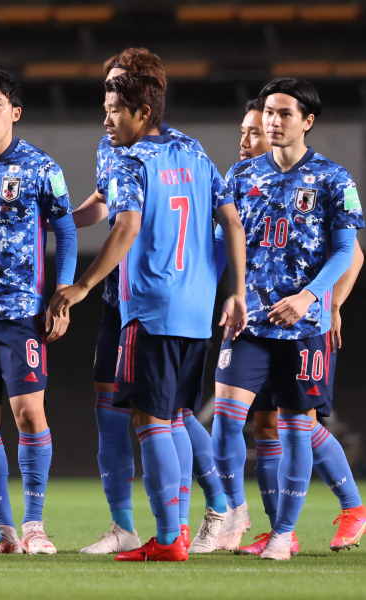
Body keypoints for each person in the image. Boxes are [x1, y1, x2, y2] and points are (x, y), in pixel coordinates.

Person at [50, 72, 247, 562]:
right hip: (196, 308)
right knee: (174, 417)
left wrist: (82, 286)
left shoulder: (128, 157)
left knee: (150, 420)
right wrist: (236, 291)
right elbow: (232, 220)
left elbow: (127, 225)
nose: (106, 117)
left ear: (142, 112)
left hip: (151, 305)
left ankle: (167, 537)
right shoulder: (194, 151)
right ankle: (178, 529)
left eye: (115, 108)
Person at [213, 78, 364, 560]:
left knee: (297, 426)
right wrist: (228, 293)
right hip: (250, 322)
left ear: (307, 121)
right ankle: (236, 513)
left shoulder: (334, 179)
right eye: (270, 114)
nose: (274, 122)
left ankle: (283, 532)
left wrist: (312, 297)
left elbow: (346, 250)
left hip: (304, 326)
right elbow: (225, 246)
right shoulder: (239, 176)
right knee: (225, 421)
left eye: (284, 114)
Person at [0, 66, 76, 554]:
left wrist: (64, 292)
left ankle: (35, 524)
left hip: (21, 312)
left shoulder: (39, 166)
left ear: (15, 113)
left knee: (29, 413)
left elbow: (66, 231)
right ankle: (4, 529)